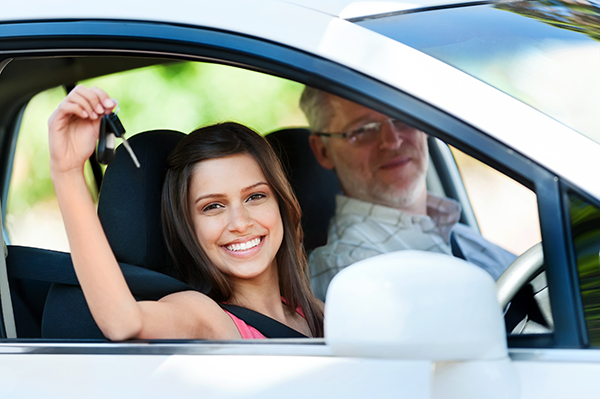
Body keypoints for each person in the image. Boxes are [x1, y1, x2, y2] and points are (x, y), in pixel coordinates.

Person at [48, 85, 323, 340]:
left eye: (255, 196)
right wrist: (68, 171)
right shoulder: (206, 316)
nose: (240, 223)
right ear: (188, 227)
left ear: (282, 206)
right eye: (213, 206)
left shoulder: (317, 314)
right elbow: (123, 320)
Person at [300, 87, 516, 300]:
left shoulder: (456, 232)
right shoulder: (348, 267)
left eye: (403, 117)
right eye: (363, 130)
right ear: (323, 151)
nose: (392, 140)